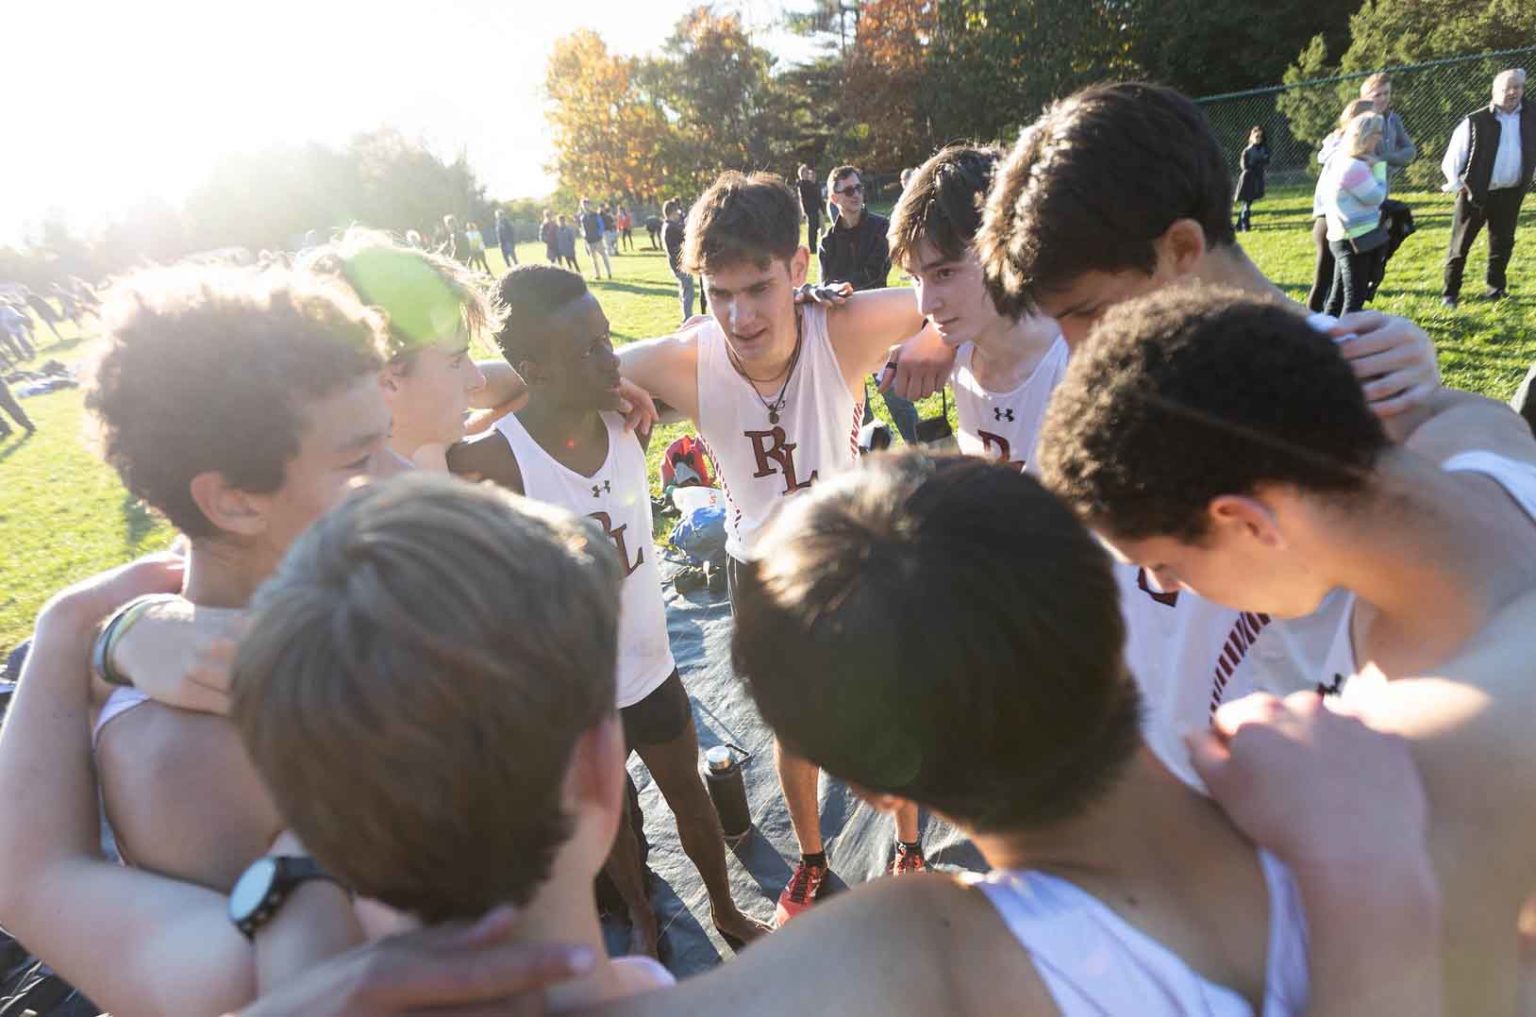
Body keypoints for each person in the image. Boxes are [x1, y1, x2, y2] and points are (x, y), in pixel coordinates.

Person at [1035, 289, 1536, 1010]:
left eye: (1167, 567)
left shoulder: (1424, 763)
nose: (1168, 586)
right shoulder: (1477, 434)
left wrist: (1340, 869)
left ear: (1246, 520)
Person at [974, 80, 1442, 787]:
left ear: (1183, 249)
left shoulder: (1368, 398)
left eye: (1087, 312)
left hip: (1282, 828)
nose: (1075, 349)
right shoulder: (1108, 392)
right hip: (1144, 791)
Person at [617, 169, 952, 926]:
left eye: (759, 288)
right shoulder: (685, 359)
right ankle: (810, 858)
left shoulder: (843, 325)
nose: (739, 315)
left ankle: (907, 846)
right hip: (759, 568)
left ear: (800, 270)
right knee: (791, 730)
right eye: (718, 291)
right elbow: (535, 374)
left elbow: (973, 293)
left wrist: (930, 341)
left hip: (851, 559)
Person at [228, 473, 681, 1006]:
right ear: (602, 766)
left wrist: (112, 637)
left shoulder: (268, 975)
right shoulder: (759, 992)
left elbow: (101, 890)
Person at [448, 264, 772, 953]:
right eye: (588, 349)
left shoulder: (627, 416)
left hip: (651, 664)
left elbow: (699, 347)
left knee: (690, 794)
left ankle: (724, 908)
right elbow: (415, 429)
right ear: (531, 367)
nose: (609, 359)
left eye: (605, 340)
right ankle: (644, 915)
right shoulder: (489, 460)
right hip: (572, 689)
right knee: (613, 820)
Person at [889, 145, 1067, 474]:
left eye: (944, 273)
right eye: (914, 278)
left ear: (1005, 243)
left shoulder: (1072, 362)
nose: (925, 305)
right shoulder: (962, 344)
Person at [820, 164, 920, 446]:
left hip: (880, 328)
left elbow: (875, 272)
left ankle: (925, 458)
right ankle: (871, 465)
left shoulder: (881, 227)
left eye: (859, 187)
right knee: (858, 410)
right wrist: (835, 292)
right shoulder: (828, 242)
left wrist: (842, 289)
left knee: (898, 401)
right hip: (846, 334)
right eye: (848, 190)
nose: (856, 194)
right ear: (834, 198)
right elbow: (827, 286)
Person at [1440, 68, 1532, 308]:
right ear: (1494, 92)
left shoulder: (1532, 116)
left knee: (1503, 244)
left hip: (1511, 193)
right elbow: (1452, 159)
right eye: (1507, 88)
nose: (1513, 92)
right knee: (1459, 246)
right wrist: (1458, 184)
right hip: (1475, 194)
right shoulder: (1475, 121)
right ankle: (1450, 293)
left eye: (1518, 87)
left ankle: (1496, 290)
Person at [1306, 99, 1376, 312]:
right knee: (1324, 279)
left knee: (1333, 283)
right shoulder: (1344, 152)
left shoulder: (1345, 149)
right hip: (1331, 219)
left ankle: (1325, 322)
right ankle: (1312, 322)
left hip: (1334, 219)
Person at [1320, 112, 1389, 315]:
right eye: (1378, 133)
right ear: (1365, 136)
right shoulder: (1355, 167)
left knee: (1337, 296)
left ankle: (1325, 337)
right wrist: (1378, 167)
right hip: (1356, 239)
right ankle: (1345, 343)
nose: (1381, 137)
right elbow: (1377, 196)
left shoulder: (1341, 160)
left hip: (1341, 236)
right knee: (1354, 299)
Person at [1359, 72, 1417, 177]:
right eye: (1377, 95)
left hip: (1384, 184)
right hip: (1361, 183)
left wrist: (1384, 159)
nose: (1383, 98)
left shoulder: (1393, 119)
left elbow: (1410, 151)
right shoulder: (1358, 122)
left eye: (1386, 93)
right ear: (1364, 98)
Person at [661, 198, 695, 321]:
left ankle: (686, 316)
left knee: (684, 290)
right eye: (676, 212)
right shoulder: (671, 228)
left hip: (677, 265)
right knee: (688, 292)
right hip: (681, 265)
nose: (678, 214)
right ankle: (687, 318)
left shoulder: (668, 226)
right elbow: (684, 235)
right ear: (672, 213)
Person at [1233, 125, 1270, 232]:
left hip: (1257, 178)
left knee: (1248, 202)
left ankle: (1239, 225)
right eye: (1256, 137)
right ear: (1251, 137)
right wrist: (1255, 163)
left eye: (1260, 137)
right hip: (1248, 179)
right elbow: (1244, 166)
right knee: (1247, 203)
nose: (1258, 139)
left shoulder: (1263, 150)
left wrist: (1262, 161)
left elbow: (1266, 160)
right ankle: (1245, 224)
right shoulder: (1247, 151)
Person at [580, 200, 613, 280]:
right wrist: (585, 237)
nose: (585, 207)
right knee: (594, 260)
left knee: (604, 256)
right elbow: (582, 229)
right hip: (589, 241)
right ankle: (598, 274)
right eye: (584, 205)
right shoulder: (582, 218)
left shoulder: (596, 215)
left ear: (590, 205)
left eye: (587, 205)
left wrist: (599, 235)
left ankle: (609, 273)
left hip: (598, 240)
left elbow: (601, 225)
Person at [794, 164, 820, 252]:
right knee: (812, 229)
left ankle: (814, 245)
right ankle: (812, 248)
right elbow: (804, 197)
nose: (807, 174)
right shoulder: (801, 184)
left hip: (814, 207)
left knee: (815, 227)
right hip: (809, 209)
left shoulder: (808, 183)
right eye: (805, 172)